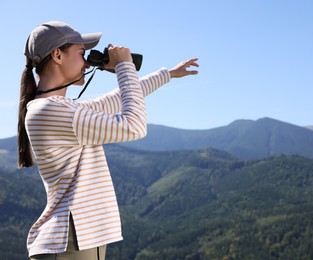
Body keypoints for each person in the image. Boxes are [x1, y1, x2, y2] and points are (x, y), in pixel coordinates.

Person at [18, 21, 199, 260]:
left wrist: (167, 75)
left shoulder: (58, 109)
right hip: (70, 243)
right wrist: (124, 66)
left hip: (78, 241)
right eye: (82, 54)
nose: (86, 62)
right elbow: (133, 126)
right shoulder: (51, 111)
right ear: (58, 55)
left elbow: (110, 101)